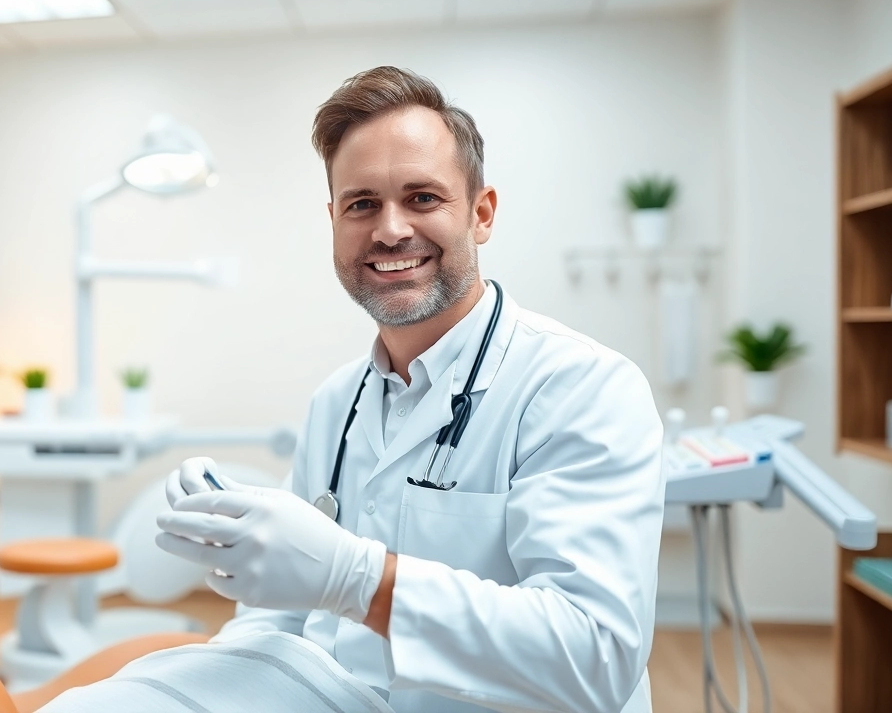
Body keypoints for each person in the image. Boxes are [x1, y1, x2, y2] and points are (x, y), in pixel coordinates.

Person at [154, 66, 665, 713]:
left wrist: (360, 581)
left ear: (481, 214)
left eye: (422, 198)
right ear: (334, 220)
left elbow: (595, 657)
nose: (390, 230)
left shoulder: (580, 388)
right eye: (361, 204)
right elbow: (277, 618)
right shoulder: (337, 404)